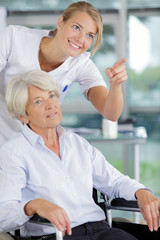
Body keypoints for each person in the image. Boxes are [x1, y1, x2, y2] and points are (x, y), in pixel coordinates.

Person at [0, 69, 159, 240]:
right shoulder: (14, 153)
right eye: (38, 101)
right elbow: (4, 216)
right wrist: (32, 206)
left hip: (101, 231)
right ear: (23, 116)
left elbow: (116, 181)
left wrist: (141, 192)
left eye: (52, 96)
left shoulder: (77, 144)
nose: (50, 104)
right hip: (58, 235)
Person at [0, 1, 127, 146]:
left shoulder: (81, 65)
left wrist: (116, 86)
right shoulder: (14, 38)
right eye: (76, 27)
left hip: (38, 146)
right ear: (60, 22)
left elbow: (111, 113)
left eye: (90, 35)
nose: (80, 39)